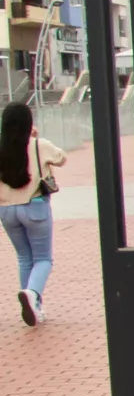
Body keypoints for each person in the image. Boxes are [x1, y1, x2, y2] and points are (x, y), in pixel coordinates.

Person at [0, 103, 63, 326]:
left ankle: (33, 306)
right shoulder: (38, 145)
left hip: (7, 210)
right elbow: (61, 158)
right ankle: (33, 294)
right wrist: (35, 138)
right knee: (43, 259)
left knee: (24, 257)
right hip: (35, 207)